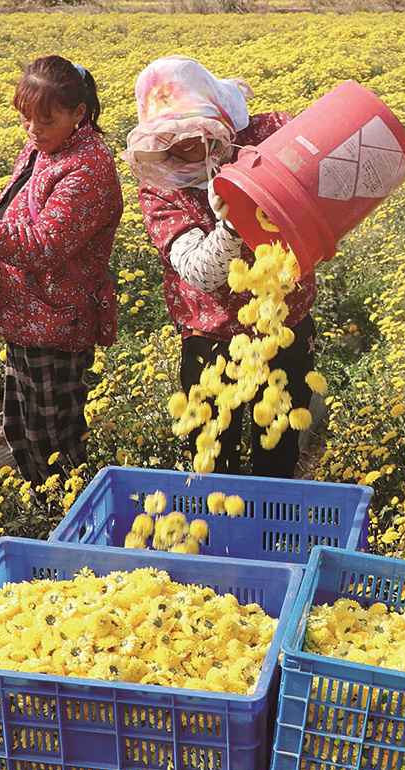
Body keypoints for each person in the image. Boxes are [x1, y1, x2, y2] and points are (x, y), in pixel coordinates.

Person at [0, 56, 121, 484]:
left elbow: (44, 245)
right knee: (22, 431)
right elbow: (23, 204)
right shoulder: (46, 148)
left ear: (78, 114)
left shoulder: (87, 168)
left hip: (56, 320)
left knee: (54, 441)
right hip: (26, 314)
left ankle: (68, 523)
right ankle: (46, 515)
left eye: (45, 120)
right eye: (26, 119)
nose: (33, 130)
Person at [126, 55, 316, 478]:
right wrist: (234, 222)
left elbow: (321, 154)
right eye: (171, 141)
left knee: (279, 445)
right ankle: (218, 535)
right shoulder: (159, 188)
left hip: (283, 318)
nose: (185, 148)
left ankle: (271, 530)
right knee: (213, 451)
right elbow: (200, 272)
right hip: (210, 334)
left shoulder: (266, 134)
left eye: (195, 134)